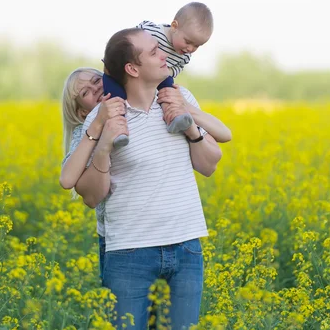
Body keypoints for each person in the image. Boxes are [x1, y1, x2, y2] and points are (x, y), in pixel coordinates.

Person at [75, 27, 223, 329]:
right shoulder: (104, 116)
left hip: (186, 247)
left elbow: (209, 166)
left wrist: (191, 127)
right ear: (132, 68)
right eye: (154, 51)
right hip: (130, 252)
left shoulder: (180, 98)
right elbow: (90, 197)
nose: (164, 55)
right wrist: (104, 147)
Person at [59, 67, 231, 285]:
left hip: (176, 235)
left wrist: (185, 112)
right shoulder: (86, 130)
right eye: (85, 93)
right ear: (83, 112)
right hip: (124, 240)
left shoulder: (149, 105)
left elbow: (221, 141)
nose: (96, 88)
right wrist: (98, 130)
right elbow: (68, 181)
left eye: (97, 80)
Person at [102, 2, 214, 148]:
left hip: (158, 75)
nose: (190, 49)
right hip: (125, 71)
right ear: (174, 26)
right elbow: (128, 41)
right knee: (115, 98)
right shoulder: (152, 31)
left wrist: (168, 73)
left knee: (169, 90)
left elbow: (177, 69)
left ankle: (174, 117)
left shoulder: (185, 56)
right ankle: (118, 130)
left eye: (197, 46)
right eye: (188, 42)